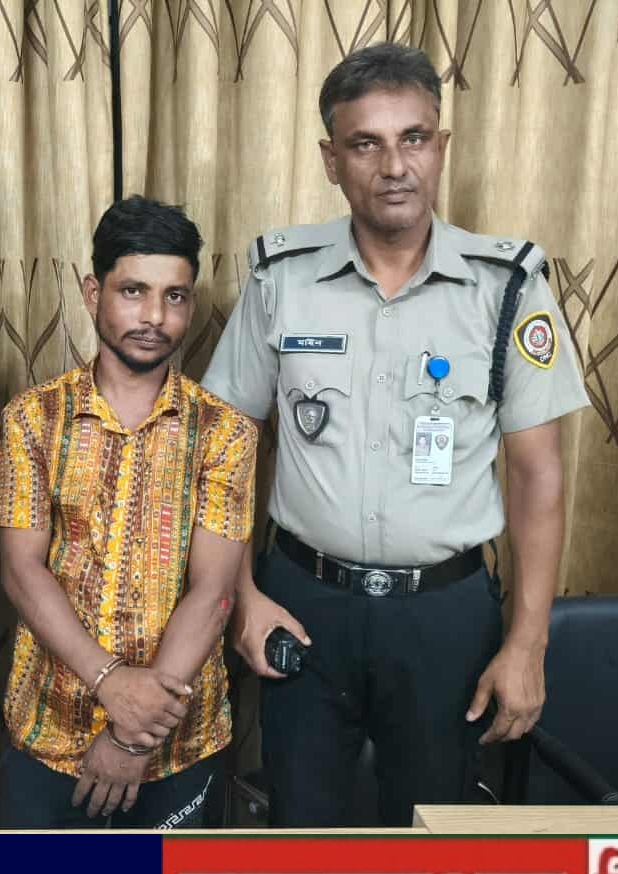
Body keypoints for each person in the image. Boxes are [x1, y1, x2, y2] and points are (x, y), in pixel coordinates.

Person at [201, 43, 590, 827]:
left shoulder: (507, 288)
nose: (394, 166)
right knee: (303, 832)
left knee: (433, 834)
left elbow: (538, 476)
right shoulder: (282, 277)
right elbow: (223, 453)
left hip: (444, 616)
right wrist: (242, 599)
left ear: (441, 146)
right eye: (365, 144)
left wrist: (527, 644)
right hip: (303, 604)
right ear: (331, 160)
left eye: (413, 138)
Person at [0, 196, 258, 828]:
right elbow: (21, 572)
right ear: (94, 294)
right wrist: (110, 682)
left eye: (175, 296)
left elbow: (214, 593)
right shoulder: (34, 418)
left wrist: (134, 738)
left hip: (181, 741)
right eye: (134, 291)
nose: (155, 317)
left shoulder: (225, 432)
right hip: (50, 722)